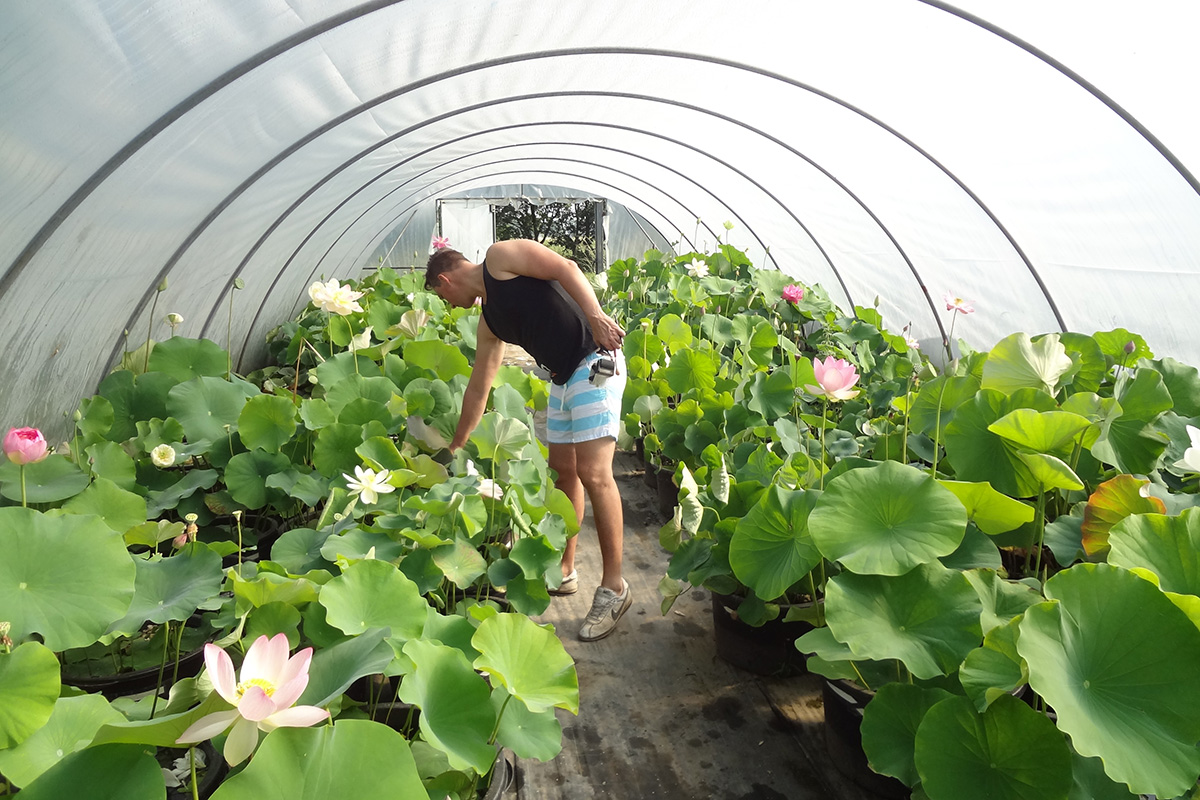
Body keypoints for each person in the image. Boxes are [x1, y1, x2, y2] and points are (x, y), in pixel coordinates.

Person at [425, 238, 631, 641]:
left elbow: (566, 266)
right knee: (563, 473)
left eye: (441, 296)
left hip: (594, 361)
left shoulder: (500, 257)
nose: (447, 305)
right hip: (562, 377)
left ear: (445, 281)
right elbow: (479, 388)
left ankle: (615, 588)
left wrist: (597, 317)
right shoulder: (490, 323)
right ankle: (567, 569)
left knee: (594, 473)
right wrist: (455, 445)